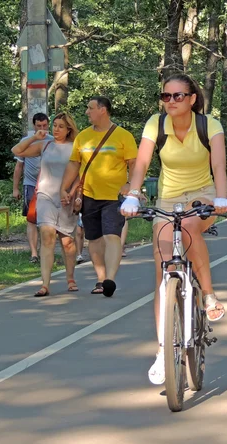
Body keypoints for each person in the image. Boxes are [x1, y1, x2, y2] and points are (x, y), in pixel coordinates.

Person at [120, 73, 227, 385]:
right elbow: (141, 164)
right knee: (162, 265)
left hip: (203, 194)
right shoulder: (156, 124)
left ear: (192, 99)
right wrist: (132, 194)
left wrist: (221, 196)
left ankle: (208, 295)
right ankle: (162, 351)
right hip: (167, 198)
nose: (170, 101)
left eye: (178, 96)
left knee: (192, 225)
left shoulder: (209, 125)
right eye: (165, 96)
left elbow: (219, 165)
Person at [60, 96, 138, 297]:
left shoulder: (123, 136)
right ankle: (101, 279)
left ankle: (110, 278)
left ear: (103, 110)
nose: (87, 112)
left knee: (112, 235)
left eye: (90, 108)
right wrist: (64, 188)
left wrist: (130, 184)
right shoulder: (83, 137)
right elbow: (74, 164)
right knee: (93, 238)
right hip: (88, 195)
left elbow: (134, 164)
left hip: (114, 196)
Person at [12, 112, 79, 296]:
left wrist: (74, 194)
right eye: (54, 125)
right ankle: (45, 284)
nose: (55, 129)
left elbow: (80, 175)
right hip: (45, 196)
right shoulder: (45, 144)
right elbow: (17, 151)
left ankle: (70, 277)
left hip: (66, 199)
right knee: (47, 237)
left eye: (60, 126)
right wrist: (34, 137)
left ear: (68, 130)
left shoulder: (76, 147)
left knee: (67, 242)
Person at [13, 113, 51, 264]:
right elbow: (18, 167)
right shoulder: (26, 142)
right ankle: (34, 253)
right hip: (30, 185)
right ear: (34, 126)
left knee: (47, 221)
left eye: (44, 125)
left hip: (49, 185)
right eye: (39, 126)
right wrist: (15, 188)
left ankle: (45, 250)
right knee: (31, 220)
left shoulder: (53, 141)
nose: (42, 129)